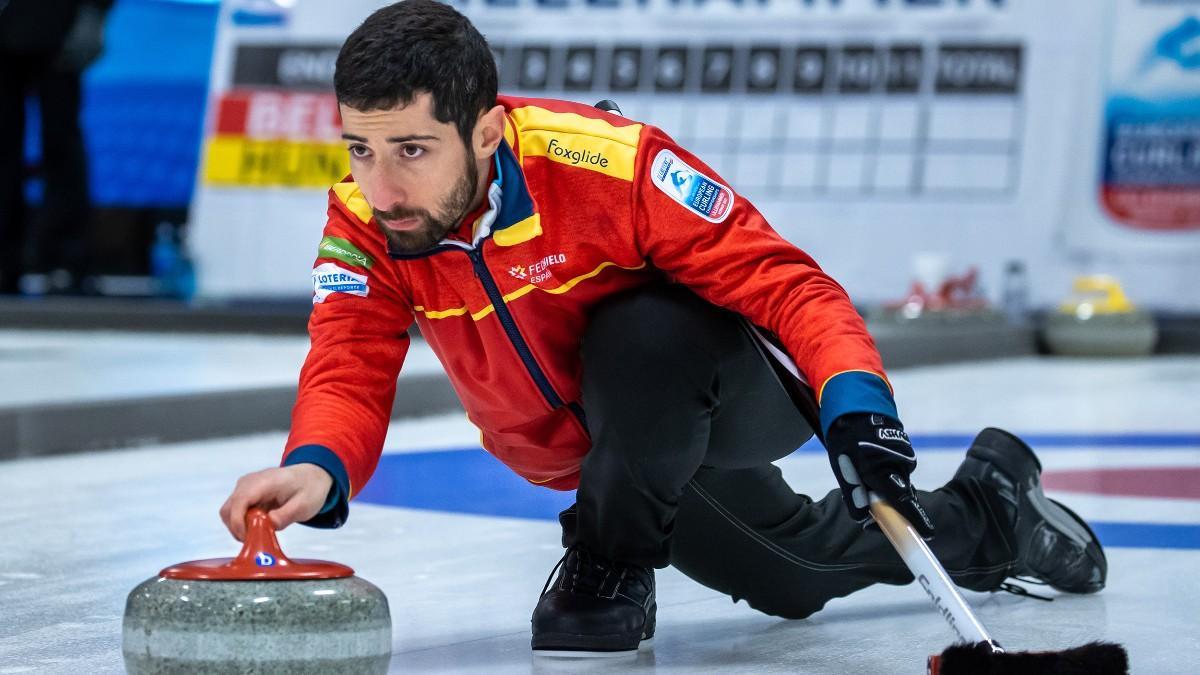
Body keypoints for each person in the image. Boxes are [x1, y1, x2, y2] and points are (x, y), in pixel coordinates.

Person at [220, 0, 1106, 657]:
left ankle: (607, 558)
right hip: (615, 450)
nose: (381, 185)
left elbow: (786, 283)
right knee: (791, 574)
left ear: (486, 130)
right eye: (359, 149)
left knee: (638, 330)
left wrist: (859, 403)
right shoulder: (368, 222)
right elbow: (349, 356)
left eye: (411, 150)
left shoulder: (609, 164)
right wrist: (316, 463)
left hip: (721, 390)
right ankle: (992, 511)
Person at [0, 0, 111, 294]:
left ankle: (65, 259)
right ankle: (5, 262)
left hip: (60, 25)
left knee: (61, 144)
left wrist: (93, 15)